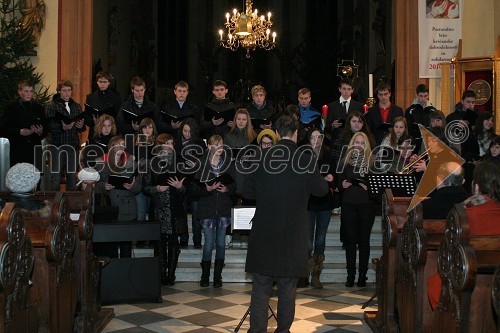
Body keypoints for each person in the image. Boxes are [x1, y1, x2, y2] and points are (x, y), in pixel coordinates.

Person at [244, 115, 328, 333]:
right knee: (288, 288)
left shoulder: (261, 157)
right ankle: (283, 331)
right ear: (297, 134)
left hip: (264, 230)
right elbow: (322, 191)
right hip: (293, 232)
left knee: (261, 287)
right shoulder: (305, 159)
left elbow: (245, 189)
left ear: (278, 133)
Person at [143, 134, 187, 285]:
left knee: (174, 242)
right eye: (167, 143)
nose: (170, 146)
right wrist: (157, 188)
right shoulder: (151, 164)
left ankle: (171, 275)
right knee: (160, 242)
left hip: (175, 207)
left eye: (172, 143)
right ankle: (161, 274)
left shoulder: (179, 163)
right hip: (159, 207)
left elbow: (186, 188)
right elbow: (145, 187)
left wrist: (180, 187)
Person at [193, 135, 236, 288]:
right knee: (209, 243)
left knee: (221, 243)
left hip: (223, 207)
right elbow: (194, 189)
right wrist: (207, 189)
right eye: (216, 145)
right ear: (209, 146)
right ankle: (205, 275)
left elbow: (234, 185)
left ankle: (218, 276)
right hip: (207, 208)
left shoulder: (228, 164)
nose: (219, 148)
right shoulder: (202, 164)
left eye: (221, 145)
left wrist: (227, 189)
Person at [338, 132, 376, 287]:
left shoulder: (372, 162)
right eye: (357, 142)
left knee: (364, 241)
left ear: (366, 145)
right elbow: (339, 183)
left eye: (362, 143)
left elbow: (379, 186)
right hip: (348, 204)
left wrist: (369, 188)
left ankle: (362, 275)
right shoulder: (345, 161)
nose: (359, 145)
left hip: (366, 205)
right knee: (350, 241)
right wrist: (343, 185)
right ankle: (350, 275)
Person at [95, 135, 142, 258]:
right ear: (112, 147)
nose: (121, 146)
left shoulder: (131, 161)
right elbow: (95, 183)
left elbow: (139, 187)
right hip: (109, 209)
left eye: (123, 143)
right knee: (110, 248)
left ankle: (126, 275)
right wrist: (103, 186)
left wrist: (132, 186)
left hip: (127, 209)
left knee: (126, 248)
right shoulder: (102, 161)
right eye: (118, 144)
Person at [304, 128, 334, 289]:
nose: (316, 140)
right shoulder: (304, 156)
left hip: (324, 203)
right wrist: (322, 178)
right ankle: (304, 273)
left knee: (320, 240)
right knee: (307, 241)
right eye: (313, 137)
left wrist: (329, 179)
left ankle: (316, 274)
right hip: (308, 203)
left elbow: (332, 176)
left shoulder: (328, 155)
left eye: (318, 137)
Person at [45, 79, 85, 191]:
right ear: (59, 92)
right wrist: (62, 127)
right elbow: (49, 125)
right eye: (64, 90)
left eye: (69, 90)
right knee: (56, 177)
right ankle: (54, 204)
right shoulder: (52, 106)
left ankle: (70, 204)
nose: (67, 93)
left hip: (72, 145)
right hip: (57, 145)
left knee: (72, 177)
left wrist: (81, 125)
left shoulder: (76, 106)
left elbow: (82, 128)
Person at [0, 80, 46, 170]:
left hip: (35, 148)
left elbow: (46, 128)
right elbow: (3, 129)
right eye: (26, 91)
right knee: (18, 179)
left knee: (36, 178)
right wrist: (19, 131)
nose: (29, 94)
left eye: (31, 91)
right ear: (19, 92)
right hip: (18, 149)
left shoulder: (39, 108)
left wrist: (41, 131)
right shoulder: (11, 108)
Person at [175, 117, 207, 248]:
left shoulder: (199, 143)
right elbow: (173, 162)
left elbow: (205, 163)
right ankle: (183, 238)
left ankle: (197, 240)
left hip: (195, 182)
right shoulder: (176, 143)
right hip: (181, 181)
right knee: (181, 212)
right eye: (184, 130)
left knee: (196, 214)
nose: (186, 134)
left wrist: (195, 164)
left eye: (189, 131)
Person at [84, 71, 122, 139]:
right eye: (100, 81)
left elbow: (119, 117)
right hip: (95, 133)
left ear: (109, 82)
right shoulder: (91, 97)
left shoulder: (116, 97)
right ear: (97, 82)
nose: (102, 84)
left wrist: (111, 122)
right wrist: (93, 122)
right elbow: (86, 118)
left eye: (105, 82)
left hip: (111, 133)